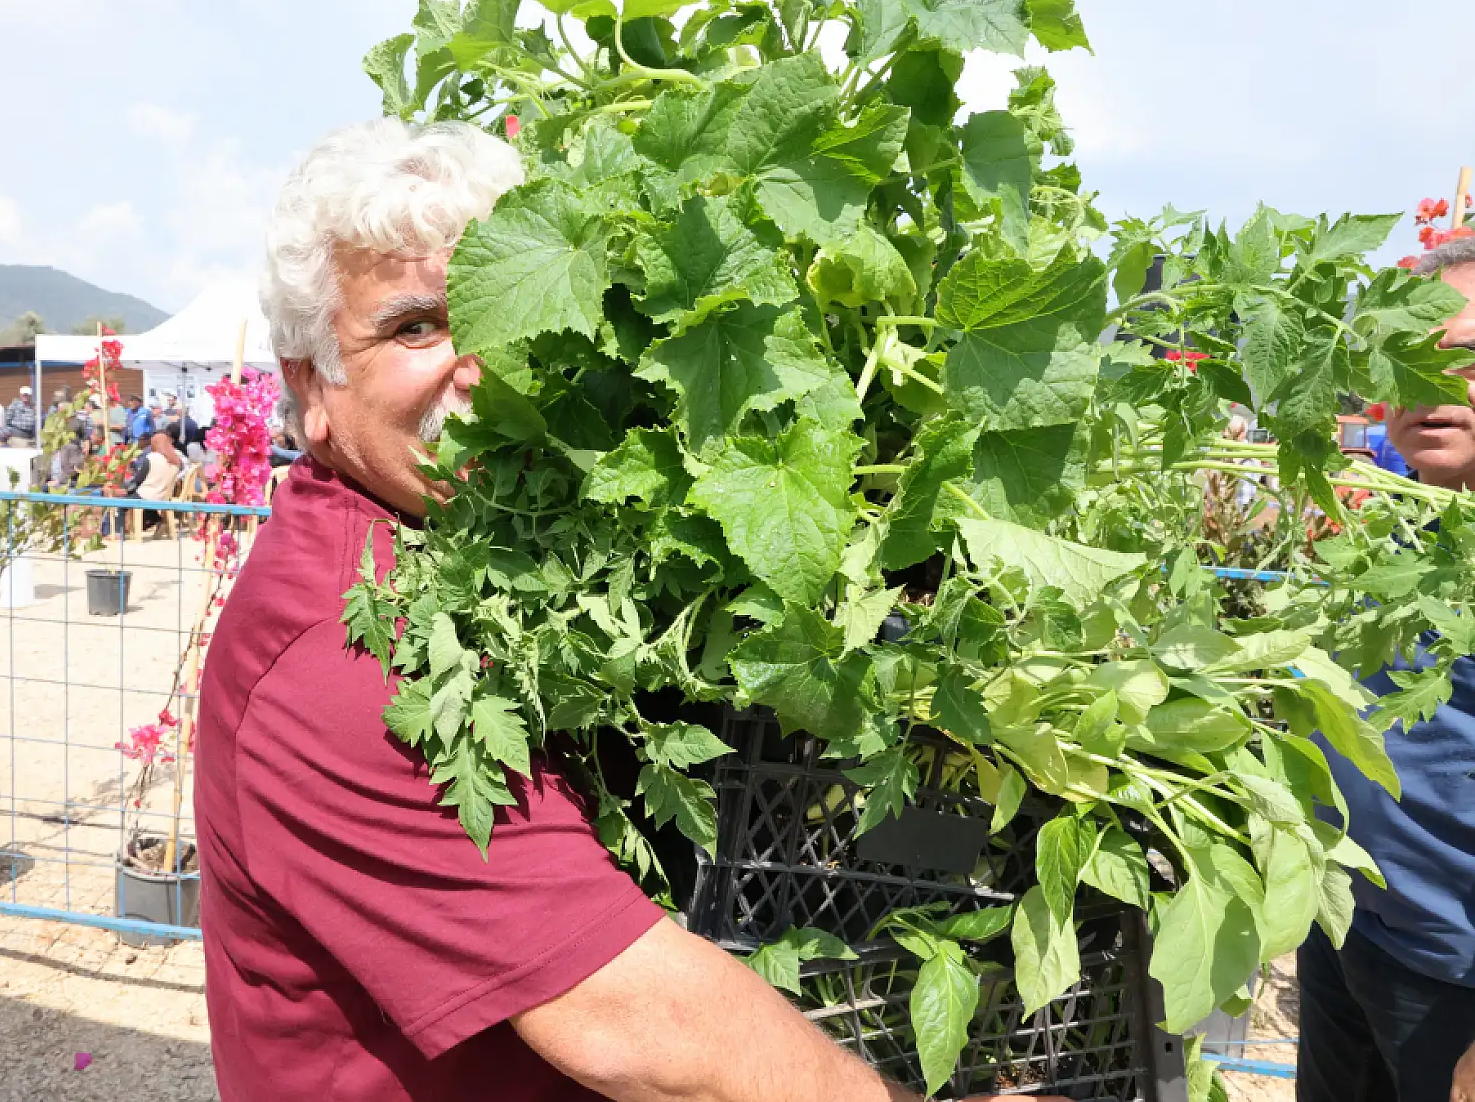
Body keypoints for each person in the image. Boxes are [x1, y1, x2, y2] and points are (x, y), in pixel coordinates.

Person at [193, 119, 1050, 1102]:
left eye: (498, 306)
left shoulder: (481, 547)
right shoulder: (347, 650)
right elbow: (635, 1024)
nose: (478, 366)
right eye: (414, 325)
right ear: (310, 386)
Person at [1297, 234, 1475, 1102]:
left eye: (1466, 360)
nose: (1427, 388)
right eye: (1402, 360)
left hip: (1455, 983)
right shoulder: (1410, 522)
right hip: (1349, 923)